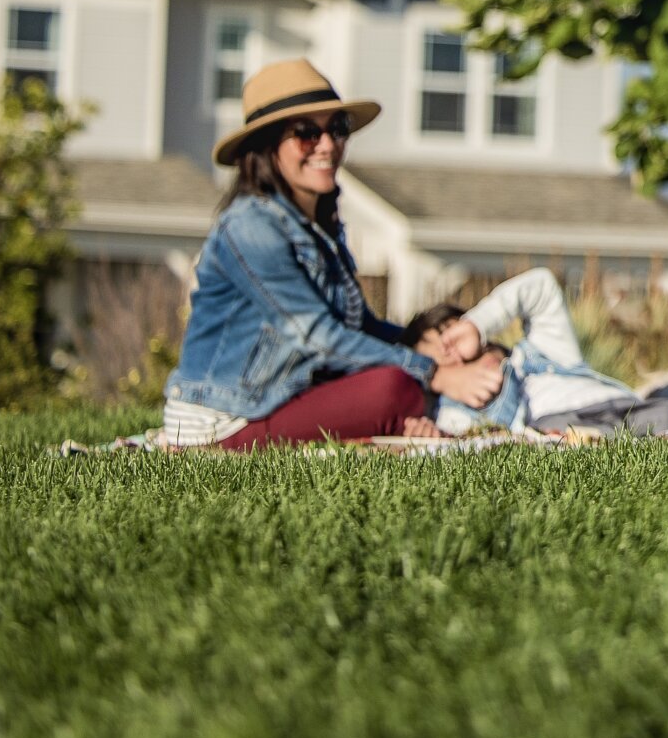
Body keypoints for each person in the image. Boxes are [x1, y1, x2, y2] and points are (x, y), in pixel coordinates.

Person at [162, 60, 502, 448]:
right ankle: (417, 418)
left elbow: (358, 328)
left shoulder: (320, 228)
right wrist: (434, 375)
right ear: (267, 146)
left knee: (402, 380)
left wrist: (430, 347)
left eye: (337, 129)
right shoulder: (249, 227)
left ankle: (417, 419)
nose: (328, 145)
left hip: (280, 397)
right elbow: (318, 337)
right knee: (396, 388)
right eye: (307, 133)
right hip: (224, 418)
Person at [404, 268, 668, 438]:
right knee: (571, 435)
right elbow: (460, 439)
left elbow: (540, 285)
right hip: (557, 430)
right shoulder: (452, 410)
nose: (449, 349)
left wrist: (477, 324)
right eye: (434, 353)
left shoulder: (541, 352)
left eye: (448, 332)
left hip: (619, 408)